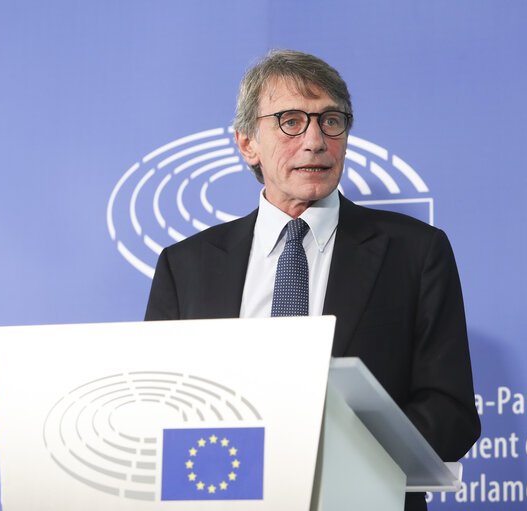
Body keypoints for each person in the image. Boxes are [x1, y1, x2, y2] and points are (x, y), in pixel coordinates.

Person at [145, 49, 480, 509]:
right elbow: (160, 413)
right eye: (290, 121)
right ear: (247, 143)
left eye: (331, 121)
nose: (315, 141)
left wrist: (328, 451)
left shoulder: (416, 252)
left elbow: (452, 415)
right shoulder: (185, 266)